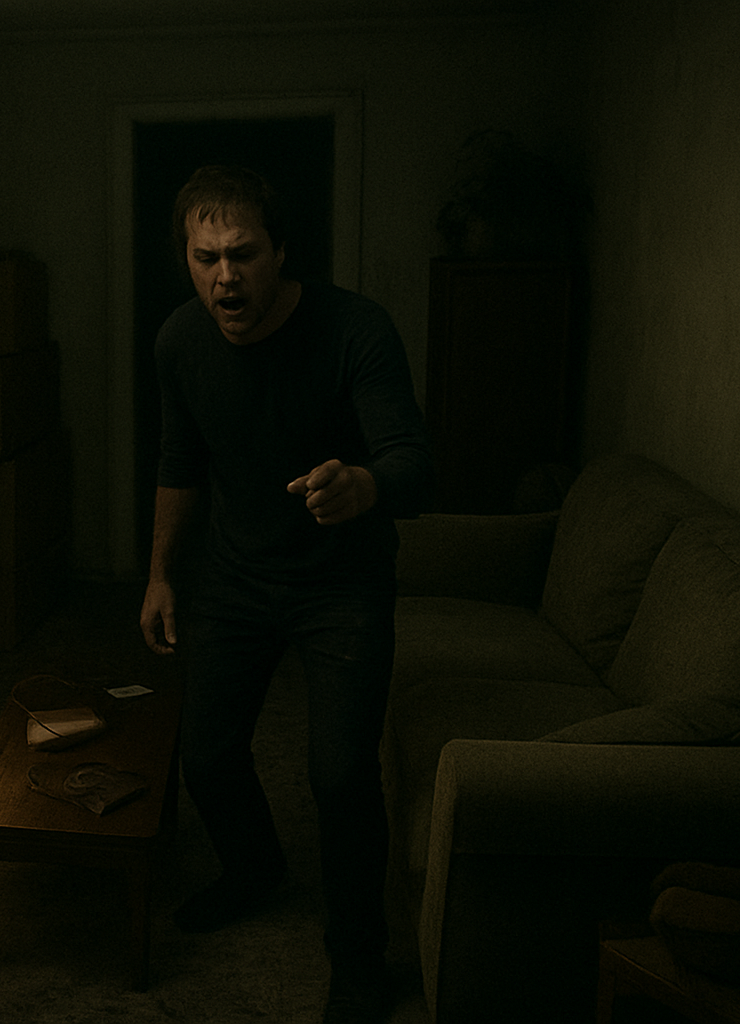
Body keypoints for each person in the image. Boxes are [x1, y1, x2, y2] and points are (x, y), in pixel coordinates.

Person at [139, 165, 432, 1023]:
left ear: (281, 254)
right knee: (207, 753)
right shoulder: (177, 342)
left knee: (341, 777)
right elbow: (179, 464)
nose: (225, 277)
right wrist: (160, 574)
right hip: (233, 577)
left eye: (243, 255)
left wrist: (364, 487)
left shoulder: (355, 330)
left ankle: (358, 956)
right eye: (205, 258)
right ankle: (255, 867)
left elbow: (416, 463)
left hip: (342, 584)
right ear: (187, 260)